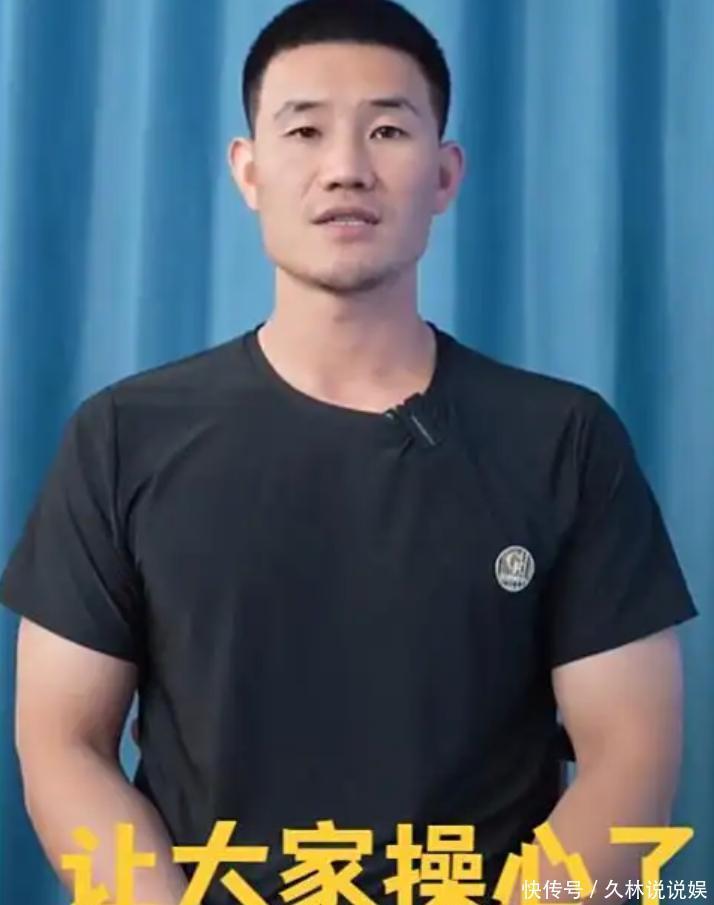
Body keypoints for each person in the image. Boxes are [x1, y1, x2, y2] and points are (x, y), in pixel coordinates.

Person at [1, 1, 698, 904]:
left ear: (444, 175)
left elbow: (631, 754)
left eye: (387, 130)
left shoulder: (565, 438)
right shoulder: (124, 436)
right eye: (304, 130)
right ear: (248, 171)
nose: (346, 168)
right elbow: (63, 742)